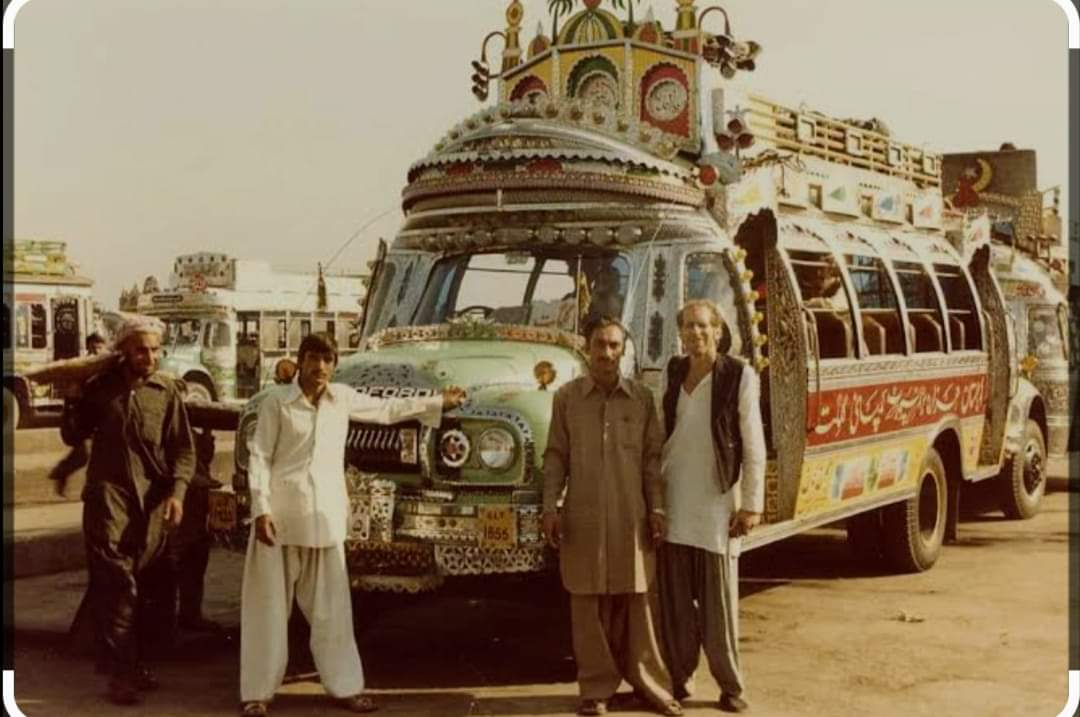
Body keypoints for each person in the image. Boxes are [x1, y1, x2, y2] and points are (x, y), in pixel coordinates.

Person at [239, 332, 467, 717]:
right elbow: (259, 456)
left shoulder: (340, 398)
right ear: (300, 361)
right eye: (314, 359)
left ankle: (347, 687)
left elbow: (388, 410)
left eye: (328, 361)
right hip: (278, 518)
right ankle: (257, 695)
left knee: (333, 611)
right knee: (268, 608)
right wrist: (261, 509)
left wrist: (438, 401)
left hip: (324, 518)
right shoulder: (277, 402)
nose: (321, 368)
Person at [542, 316, 682, 717]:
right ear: (588, 348)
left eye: (614, 346)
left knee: (637, 601)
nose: (606, 354)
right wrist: (550, 507)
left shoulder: (640, 399)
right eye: (600, 345)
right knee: (586, 604)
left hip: (630, 516)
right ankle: (595, 691)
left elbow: (652, 461)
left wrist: (656, 508)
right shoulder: (567, 398)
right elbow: (555, 457)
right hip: (583, 516)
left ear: (624, 351)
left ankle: (652, 687)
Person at [68, 317, 195, 705]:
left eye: (156, 350)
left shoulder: (166, 391)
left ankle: (136, 663)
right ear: (124, 350)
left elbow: (183, 451)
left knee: (152, 591)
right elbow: (73, 435)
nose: (150, 357)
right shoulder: (100, 389)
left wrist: (177, 493)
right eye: (142, 349)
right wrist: (73, 399)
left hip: (152, 507)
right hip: (109, 501)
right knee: (118, 587)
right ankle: (120, 675)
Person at [655, 300, 765, 714]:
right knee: (676, 605)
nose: (695, 333)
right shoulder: (674, 372)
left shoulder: (738, 375)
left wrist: (751, 505)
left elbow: (753, 444)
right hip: (675, 501)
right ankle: (680, 679)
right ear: (680, 332)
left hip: (718, 506)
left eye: (703, 326)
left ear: (718, 331)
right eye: (688, 326)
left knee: (719, 608)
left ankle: (730, 686)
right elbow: (662, 435)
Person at [169, 426, 223, 633]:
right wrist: (207, 483)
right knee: (178, 561)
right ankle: (177, 616)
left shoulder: (191, 431)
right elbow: (179, 467)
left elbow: (203, 460)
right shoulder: (178, 429)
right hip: (184, 504)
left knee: (196, 561)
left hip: (197, 508)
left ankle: (189, 614)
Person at [50, 331, 109, 496]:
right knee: (86, 450)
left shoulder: (110, 367)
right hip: (84, 417)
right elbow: (72, 398)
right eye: (91, 349)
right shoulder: (82, 369)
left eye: (98, 348)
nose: (94, 353)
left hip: (105, 417)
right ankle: (62, 472)